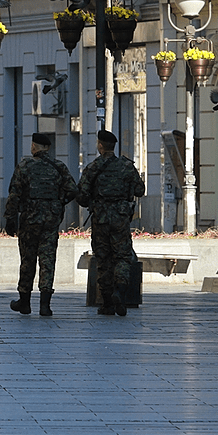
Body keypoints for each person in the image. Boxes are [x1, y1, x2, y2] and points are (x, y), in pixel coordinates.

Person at [4, 133, 78, 316]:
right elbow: (72, 190)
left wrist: (10, 218)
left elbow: (14, 193)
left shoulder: (25, 166)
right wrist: (58, 202)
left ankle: (25, 301)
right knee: (47, 260)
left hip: (30, 219)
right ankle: (45, 304)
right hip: (50, 220)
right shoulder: (58, 166)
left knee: (27, 260)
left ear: (34, 147)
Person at [76, 130, 145, 317]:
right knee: (122, 256)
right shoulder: (126, 166)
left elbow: (81, 197)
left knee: (103, 259)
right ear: (113, 146)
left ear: (100, 145)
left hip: (100, 218)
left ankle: (107, 303)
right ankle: (120, 292)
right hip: (121, 218)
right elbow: (140, 190)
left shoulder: (93, 168)